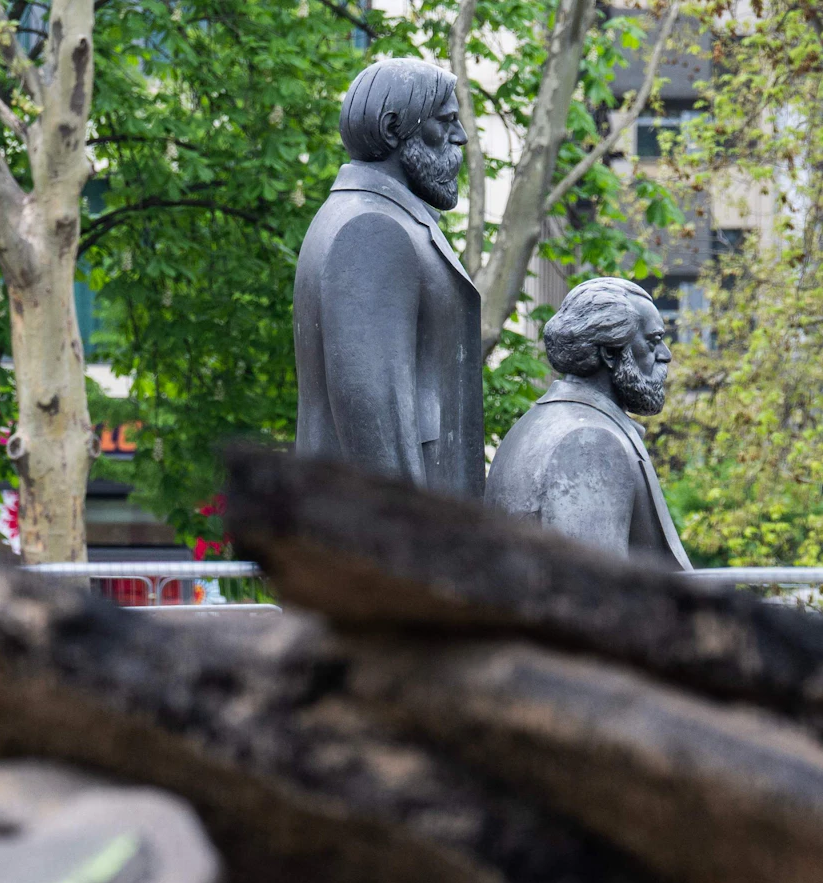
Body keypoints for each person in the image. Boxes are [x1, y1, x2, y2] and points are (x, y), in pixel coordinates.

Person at [293, 60, 484, 498]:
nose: (461, 137)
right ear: (394, 128)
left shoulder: (371, 217)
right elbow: (370, 407)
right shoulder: (371, 228)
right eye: (446, 121)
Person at [486, 278, 691, 569]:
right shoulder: (589, 442)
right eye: (653, 341)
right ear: (610, 352)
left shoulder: (539, 423)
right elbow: (595, 595)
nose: (666, 355)